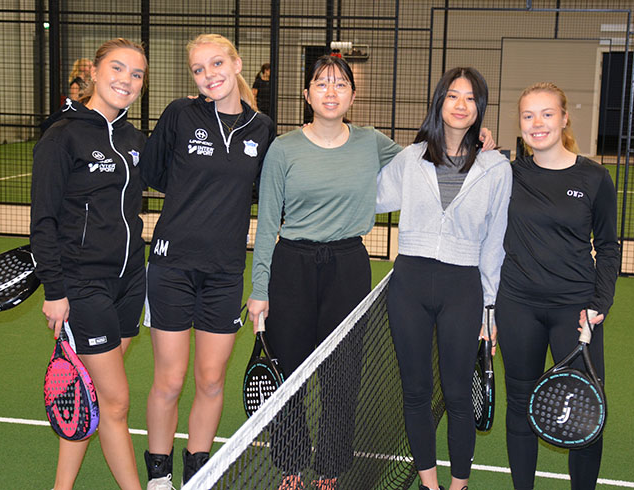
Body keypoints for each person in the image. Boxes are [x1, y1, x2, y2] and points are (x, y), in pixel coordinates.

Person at [246, 55, 402, 490]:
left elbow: (424, 162)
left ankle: (330, 468)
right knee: (288, 374)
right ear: (306, 95)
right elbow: (266, 225)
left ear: (353, 94)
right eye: (321, 84)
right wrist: (260, 289)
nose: (331, 92)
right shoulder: (284, 148)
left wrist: (472, 142)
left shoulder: (372, 142)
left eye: (340, 84)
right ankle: (290, 466)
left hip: (349, 268)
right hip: (291, 268)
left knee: (343, 376)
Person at [140, 33, 275, 489]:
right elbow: (154, 171)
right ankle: (159, 477)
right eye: (198, 70)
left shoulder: (263, 128)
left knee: (212, 379)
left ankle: (197, 474)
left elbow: (265, 192)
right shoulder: (181, 114)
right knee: (170, 380)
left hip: (223, 273)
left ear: (237, 64)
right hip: (171, 265)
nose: (208, 75)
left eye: (216, 64)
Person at [376, 67, 512, 490]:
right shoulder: (411, 158)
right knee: (415, 392)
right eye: (453, 96)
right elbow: (372, 197)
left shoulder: (496, 167)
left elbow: (495, 244)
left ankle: (459, 485)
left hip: (462, 288)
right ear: (439, 102)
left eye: (470, 98)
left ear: (479, 110)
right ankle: (428, 484)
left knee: (457, 395)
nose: (460, 105)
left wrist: (490, 310)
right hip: (409, 284)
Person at [30, 38, 148, 490]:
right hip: (81, 286)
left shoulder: (135, 139)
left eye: (136, 74)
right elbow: (42, 220)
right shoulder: (63, 135)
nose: (126, 80)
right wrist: (55, 291)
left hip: (129, 282)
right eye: (117, 69)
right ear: (94, 73)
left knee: (91, 394)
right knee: (116, 403)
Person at [496, 82, 619, 490]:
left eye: (547, 114)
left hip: (575, 310)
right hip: (518, 306)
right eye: (528, 115)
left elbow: (607, 246)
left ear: (564, 118)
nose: (537, 123)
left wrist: (599, 304)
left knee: (584, 408)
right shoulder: (507, 173)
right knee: (520, 406)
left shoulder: (595, 178)